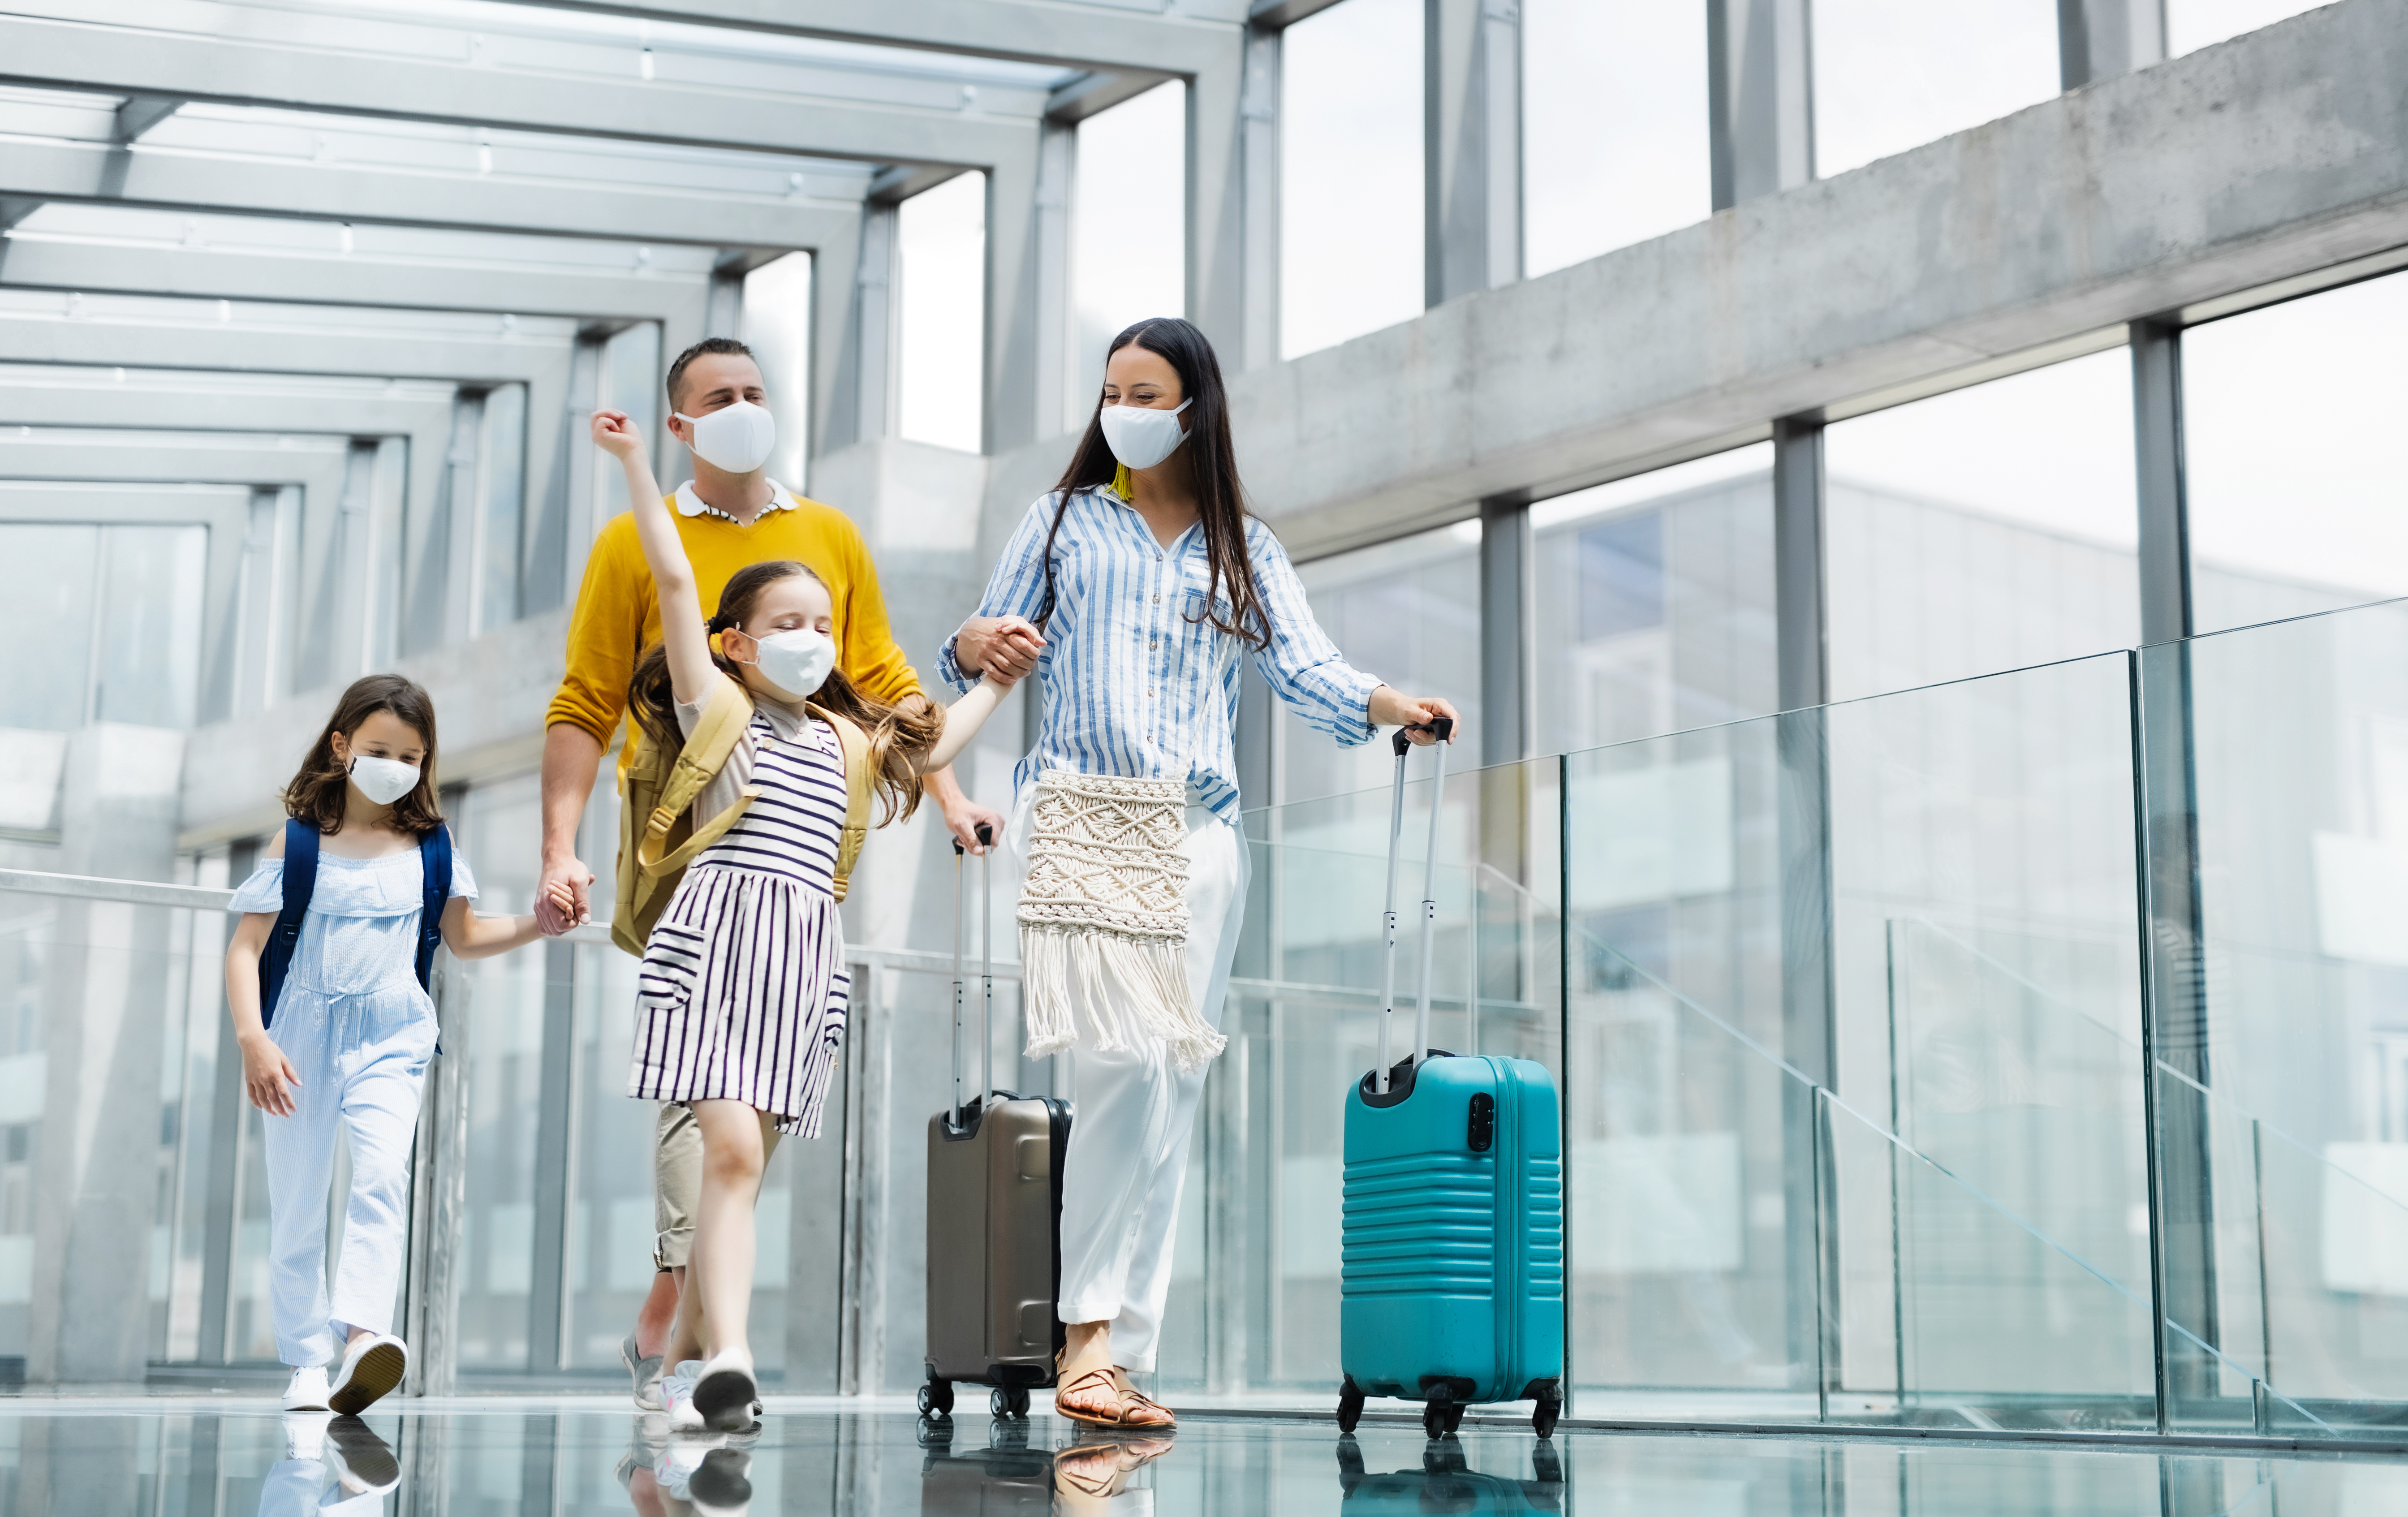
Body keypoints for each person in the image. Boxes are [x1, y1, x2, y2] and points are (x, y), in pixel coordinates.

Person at [943, 316, 1457, 1429]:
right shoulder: (1063, 521)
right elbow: (975, 644)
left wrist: (1393, 707)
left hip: (1201, 833)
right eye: (1110, 388)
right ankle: (1084, 1338)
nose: (1122, 406)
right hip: (1085, 806)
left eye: (1146, 390)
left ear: (1193, 410)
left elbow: (1307, 667)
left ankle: (1122, 1352)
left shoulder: (1243, 546)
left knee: (1171, 1086)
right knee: (1126, 1062)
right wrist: (978, 639)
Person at [536, 337, 1005, 1408]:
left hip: (801, 953)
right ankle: (710, 1342)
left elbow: (905, 716)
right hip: (705, 909)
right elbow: (601, 674)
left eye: (756, 390)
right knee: (722, 1144)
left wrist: (976, 724)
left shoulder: (835, 631)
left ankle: (686, 1348)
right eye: (719, 397)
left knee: (748, 1160)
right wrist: (633, 473)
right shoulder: (713, 688)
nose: (745, 407)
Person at [224, 674, 553, 1415]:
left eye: (411, 753)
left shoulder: (433, 846)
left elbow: (464, 939)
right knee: (300, 1198)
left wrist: (540, 921)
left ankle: (361, 1340)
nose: (395, 764)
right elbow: (244, 951)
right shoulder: (300, 840)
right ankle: (307, 1359)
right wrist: (254, 1038)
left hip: (393, 1036)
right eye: (379, 748)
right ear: (341, 747)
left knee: (379, 1176)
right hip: (297, 1041)